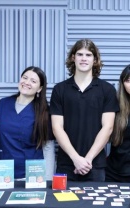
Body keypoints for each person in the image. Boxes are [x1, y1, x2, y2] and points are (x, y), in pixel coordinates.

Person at [50, 39, 119, 181]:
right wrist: (75, 158)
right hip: (66, 164)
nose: (83, 58)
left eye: (88, 55)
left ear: (95, 60)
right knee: (62, 204)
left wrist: (87, 160)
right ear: (73, 57)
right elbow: (57, 128)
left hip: (95, 165)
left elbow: (108, 127)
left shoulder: (107, 90)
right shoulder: (60, 89)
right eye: (80, 54)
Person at [0, 66, 55, 180]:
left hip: (32, 175)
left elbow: (48, 147)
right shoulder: (3, 104)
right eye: (25, 78)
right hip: (3, 174)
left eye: (33, 81)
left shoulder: (44, 112)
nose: (27, 82)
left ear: (39, 88)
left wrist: (48, 179)